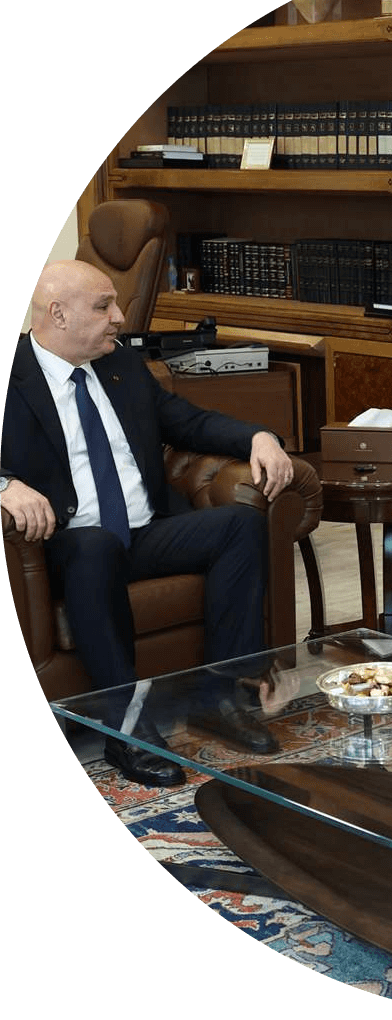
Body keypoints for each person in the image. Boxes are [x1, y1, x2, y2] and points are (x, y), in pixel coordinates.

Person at [1, 260, 296, 787]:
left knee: (238, 524)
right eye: (103, 306)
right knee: (94, 547)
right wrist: (4, 484)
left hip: (142, 532)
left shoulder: (122, 366)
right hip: (66, 546)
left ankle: (221, 697)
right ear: (58, 314)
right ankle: (127, 727)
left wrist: (259, 437)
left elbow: (190, 421)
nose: (119, 317)